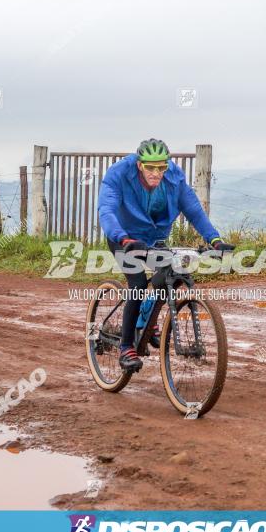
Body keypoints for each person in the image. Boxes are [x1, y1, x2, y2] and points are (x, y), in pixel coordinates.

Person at [98, 138, 234, 372]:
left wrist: (215, 240)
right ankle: (126, 347)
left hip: (154, 238)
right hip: (124, 239)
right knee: (138, 283)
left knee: (171, 274)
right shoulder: (118, 174)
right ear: (140, 165)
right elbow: (107, 210)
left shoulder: (174, 178)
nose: (156, 172)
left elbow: (193, 210)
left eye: (161, 167)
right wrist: (123, 238)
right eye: (150, 167)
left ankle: (146, 322)